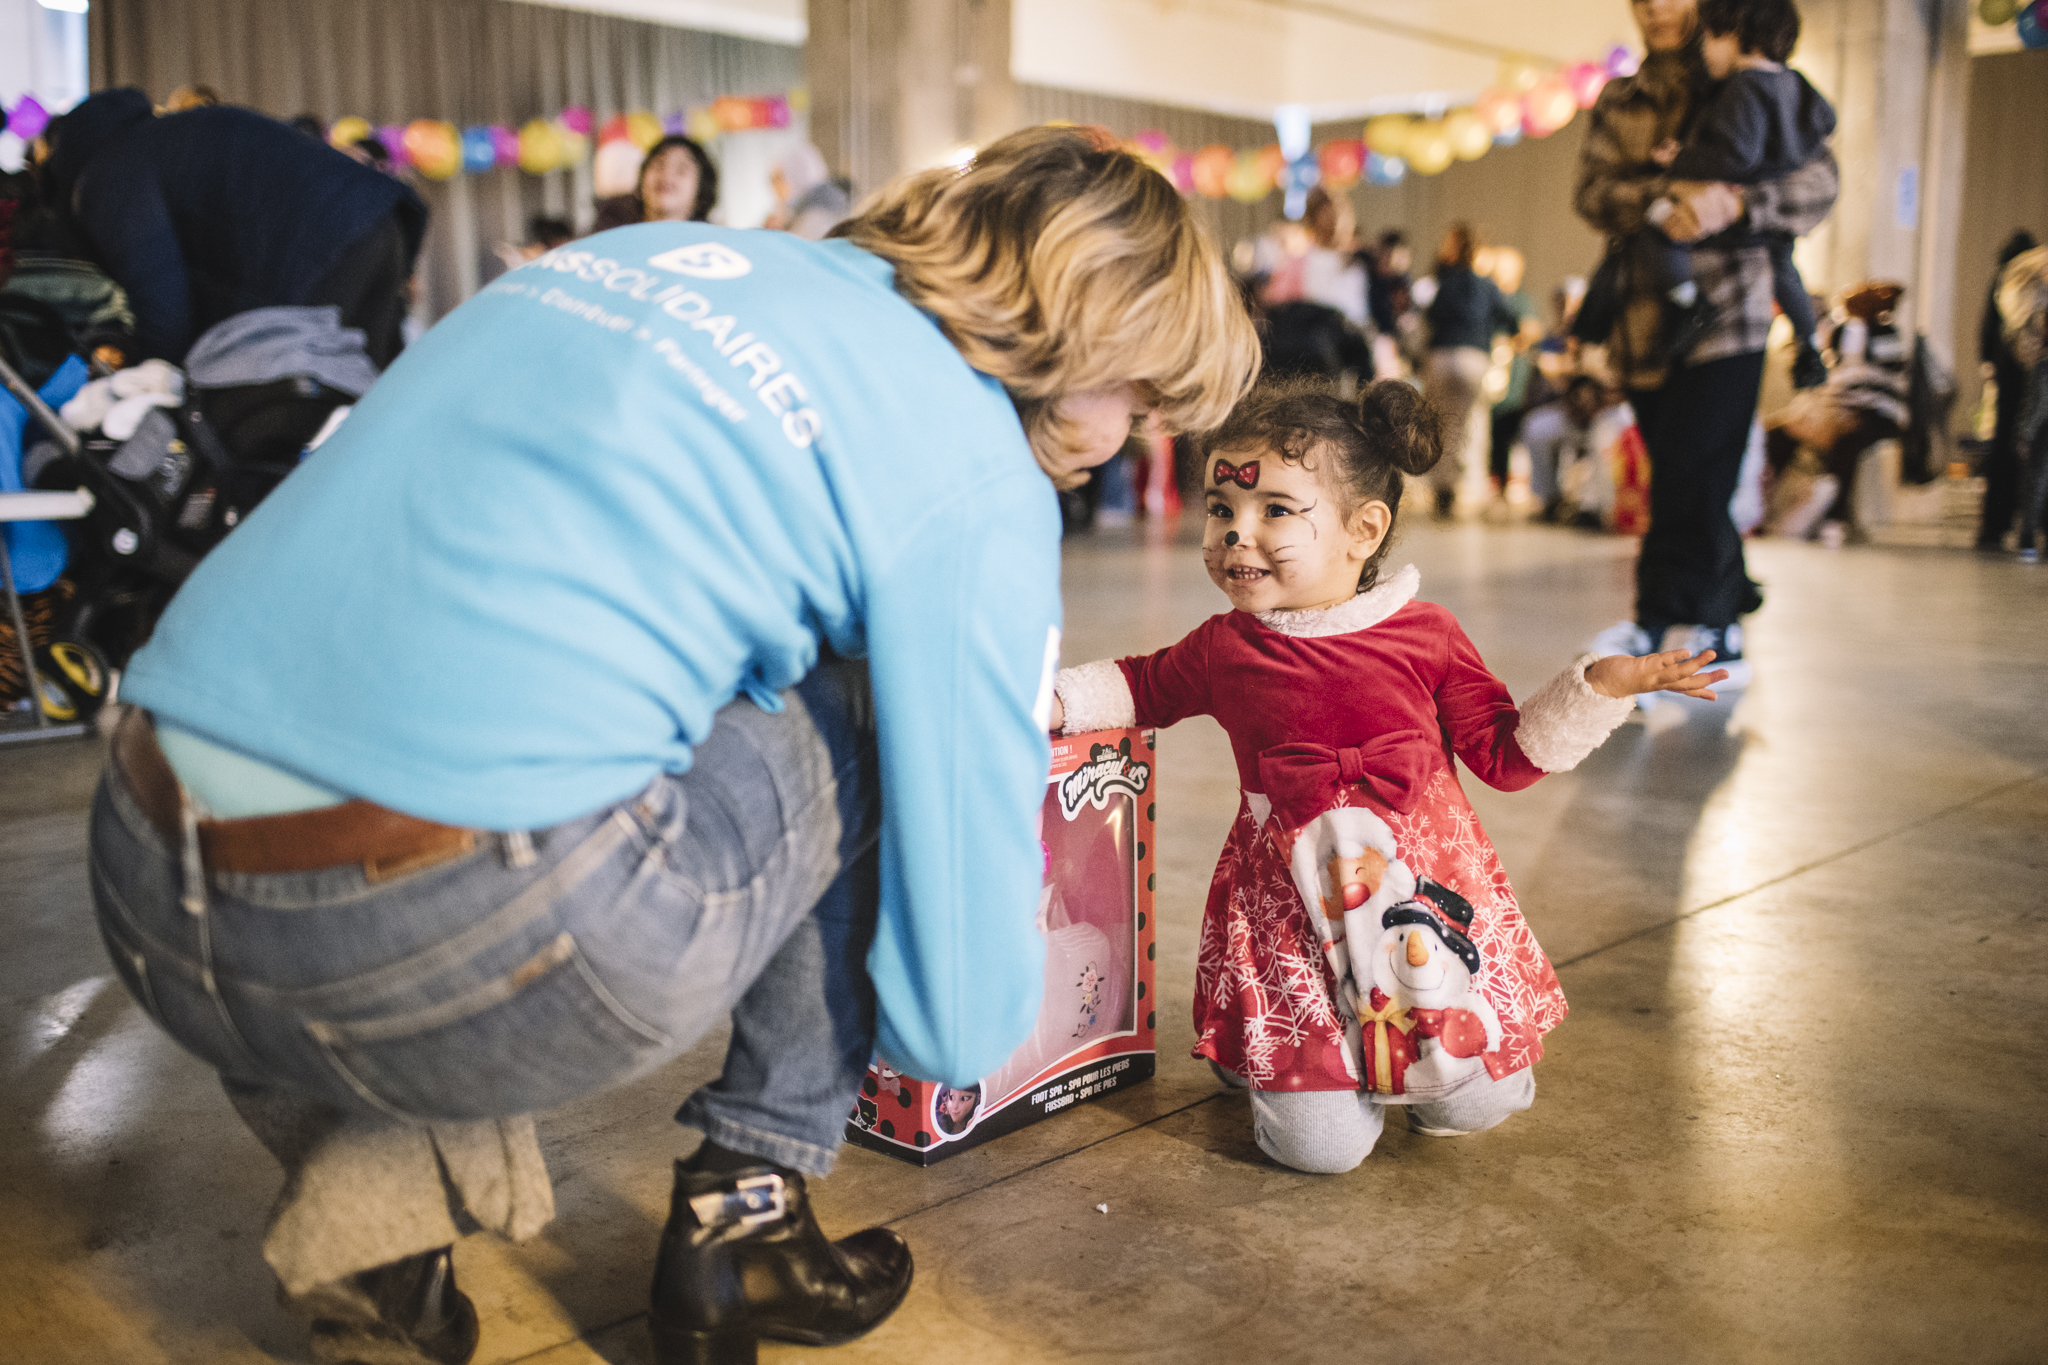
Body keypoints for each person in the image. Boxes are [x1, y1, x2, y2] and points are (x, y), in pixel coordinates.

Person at [86, 125, 1259, 1365]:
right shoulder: (976, 467)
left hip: (146, 885)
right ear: (1094, 327)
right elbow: (952, 1026)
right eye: (1140, 396)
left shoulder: (644, 256)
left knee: (432, 727)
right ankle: (745, 1214)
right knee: (868, 701)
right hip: (446, 948)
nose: (1133, 434)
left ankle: (375, 1241)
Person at [1046, 378, 1726, 1173]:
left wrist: (1598, 686)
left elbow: (1506, 757)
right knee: (1322, 1153)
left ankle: (1358, 1061)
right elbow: (1141, 684)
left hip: (1414, 910)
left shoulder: (1427, 635)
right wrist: (1048, 700)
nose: (1236, 535)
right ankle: (1267, 1050)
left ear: (1363, 529)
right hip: (1292, 922)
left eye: (1274, 510)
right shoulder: (1226, 646)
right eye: (1221, 510)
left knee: (1482, 1099)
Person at [1573, 0, 1838, 682]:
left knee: (1699, 471)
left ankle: (1668, 618)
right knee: (1685, 479)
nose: (1656, 7)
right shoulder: (1621, 99)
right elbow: (1594, 191)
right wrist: (1665, 198)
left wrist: (1743, 202)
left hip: (1734, 313)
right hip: (1644, 319)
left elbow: (1819, 181)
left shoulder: (1749, 77)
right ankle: (1722, 608)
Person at [34, 89, 426, 367]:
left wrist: (151, 378)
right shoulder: (168, 137)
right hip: (380, 220)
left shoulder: (106, 177)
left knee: (291, 410)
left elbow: (163, 305)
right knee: (373, 403)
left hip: (319, 251)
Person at [1640, 0, 1835, 384]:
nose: (1705, 47)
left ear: (1739, 37)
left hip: (1736, 210)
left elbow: (1735, 154)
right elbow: (1827, 120)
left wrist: (1681, 160)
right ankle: (1809, 344)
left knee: (1655, 227)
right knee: (1785, 271)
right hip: (1771, 220)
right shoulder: (1795, 84)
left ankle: (1688, 305)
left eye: (1711, 36)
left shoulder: (1742, 86)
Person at [1422, 222, 1520, 515]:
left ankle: (1443, 488)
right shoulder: (1487, 285)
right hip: (1473, 359)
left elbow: (1429, 317)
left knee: (1441, 425)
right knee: (1472, 424)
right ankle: (1471, 490)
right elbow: (1511, 321)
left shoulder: (1442, 282)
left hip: (1440, 357)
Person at [1977, 230, 2041, 552]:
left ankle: (1994, 527)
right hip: (2039, 372)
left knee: (2004, 449)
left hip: (2009, 372)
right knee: (2039, 453)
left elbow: (1988, 329)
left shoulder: (2006, 280)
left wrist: (1989, 364)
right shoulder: (2038, 276)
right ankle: (2033, 530)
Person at [1482, 246, 1545, 495]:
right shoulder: (1489, 296)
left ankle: (1501, 484)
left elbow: (1531, 329)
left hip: (1512, 374)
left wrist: (1511, 341)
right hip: (1489, 371)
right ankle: (1488, 481)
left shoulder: (1521, 300)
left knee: (1504, 428)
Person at [1520, 374, 1610, 521]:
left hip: (1605, 418)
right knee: (1536, 427)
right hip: (1571, 419)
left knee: (1606, 435)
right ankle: (1549, 499)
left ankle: (1594, 507)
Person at [766, 142, 853, 241]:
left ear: (796, 177)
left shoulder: (817, 218)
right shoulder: (797, 212)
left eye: (779, 178)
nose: (774, 187)